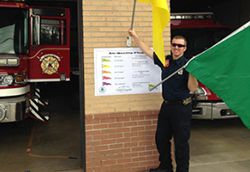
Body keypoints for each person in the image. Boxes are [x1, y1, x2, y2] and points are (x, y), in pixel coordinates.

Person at [128, 29, 198, 172]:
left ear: (185, 48)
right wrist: (135, 36)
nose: (176, 48)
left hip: (181, 109)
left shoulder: (187, 65)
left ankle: (182, 170)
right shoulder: (166, 61)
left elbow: (192, 88)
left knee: (181, 142)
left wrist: (192, 72)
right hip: (166, 107)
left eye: (180, 46)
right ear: (171, 46)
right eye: (174, 45)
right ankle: (166, 167)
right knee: (161, 138)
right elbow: (148, 51)